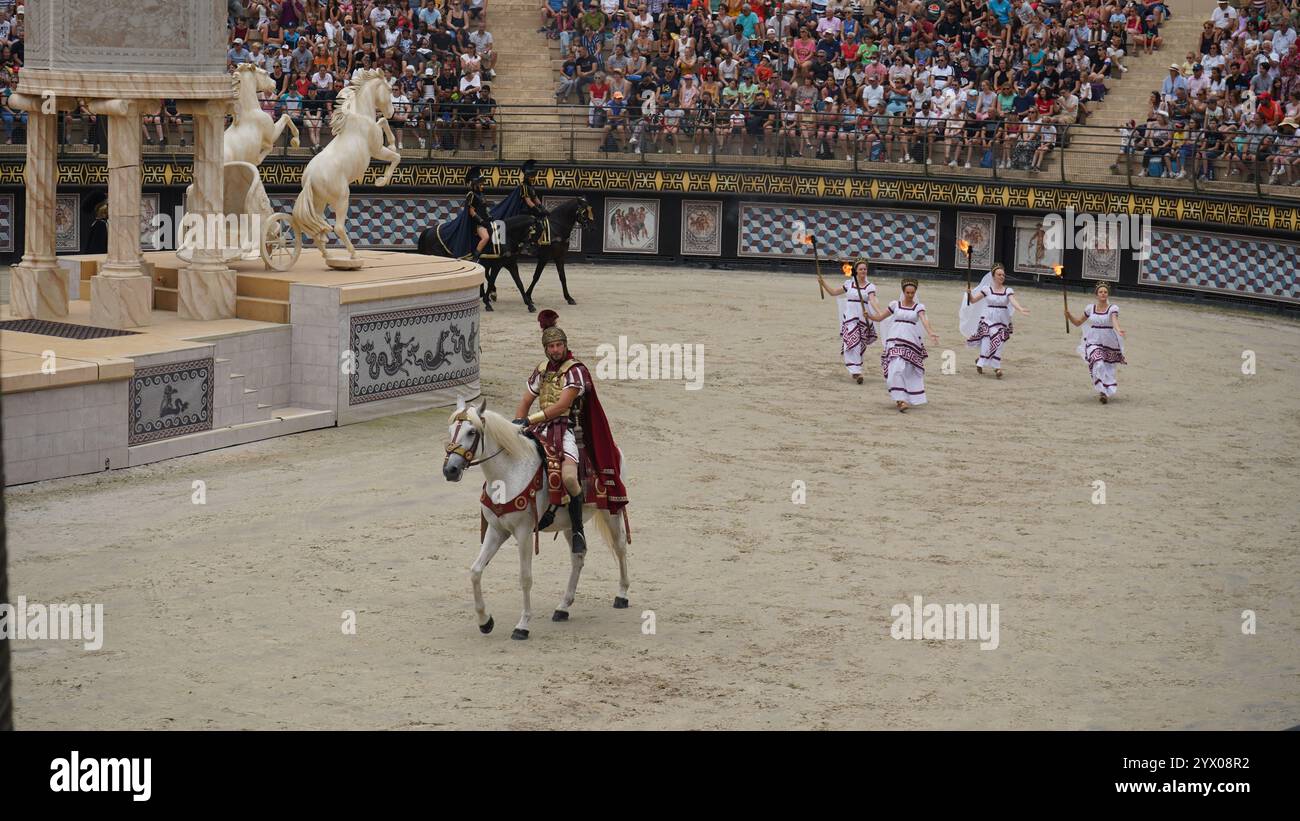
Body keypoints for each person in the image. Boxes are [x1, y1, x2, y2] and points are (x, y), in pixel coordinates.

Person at [513, 311, 627, 553]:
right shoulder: (542, 369)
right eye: (551, 346)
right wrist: (517, 423)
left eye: (559, 345)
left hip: (567, 430)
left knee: (568, 478)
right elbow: (525, 400)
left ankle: (577, 530)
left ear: (565, 345)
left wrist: (530, 419)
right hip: (540, 429)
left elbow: (563, 405)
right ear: (545, 349)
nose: (555, 350)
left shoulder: (576, 370)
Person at [866, 278, 940, 412]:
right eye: (908, 292)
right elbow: (881, 317)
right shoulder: (895, 305)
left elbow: (924, 320)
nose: (910, 295)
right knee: (895, 368)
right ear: (903, 292)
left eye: (912, 293)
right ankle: (900, 400)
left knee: (908, 370)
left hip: (911, 342)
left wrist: (930, 332)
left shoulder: (919, 307)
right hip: (894, 340)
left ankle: (905, 396)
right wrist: (869, 316)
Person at [960, 263, 1030, 377]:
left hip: (1003, 320)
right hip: (988, 319)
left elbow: (1013, 301)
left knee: (999, 341)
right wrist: (969, 295)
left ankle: (992, 364)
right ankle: (987, 364)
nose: (1002, 277)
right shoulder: (986, 290)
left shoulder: (1008, 290)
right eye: (999, 275)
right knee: (987, 340)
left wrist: (1020, 308)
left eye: (1003, 275)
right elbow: (973, 301)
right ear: (993, 276)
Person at [817, 259, 880, 383]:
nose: (863, 271)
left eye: (865, 269)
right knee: (851, 343)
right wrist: (823, 283)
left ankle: (856, 369)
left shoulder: (870, 287)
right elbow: (834, 292)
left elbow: (872, 300)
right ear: (856, 271)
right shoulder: (849, 284)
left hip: (863, 318)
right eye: (861, 269)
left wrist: (879, 312)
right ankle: (856, 371)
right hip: (850, 318)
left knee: (861, 344)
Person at [1065, 281, 1127, 403]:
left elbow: (1114, 320)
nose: (1103, 294)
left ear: (1108, 294)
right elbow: (1077, 323)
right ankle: (1101, 389)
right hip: (1093, 340)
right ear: (1096, 294)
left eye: (1105, 292)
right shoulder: (1090, 308)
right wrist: (1069, 315)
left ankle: (1103, 392)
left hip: (1109, 342)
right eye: (1100, 292)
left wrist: (1119, 329)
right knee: (1098, 362)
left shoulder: (1112, 308)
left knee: (1108, 367)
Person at [464, 165, 492, 262]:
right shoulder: (471, 195)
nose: (482, 185)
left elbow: (483, 209)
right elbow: (471, 212)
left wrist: (489, 217)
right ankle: (475, 257)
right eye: (480, 184)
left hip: (484, 222)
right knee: (486, 237)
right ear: (475, 184)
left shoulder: (481, 195)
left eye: (482, 183)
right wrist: (481, 221)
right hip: (476, 224)